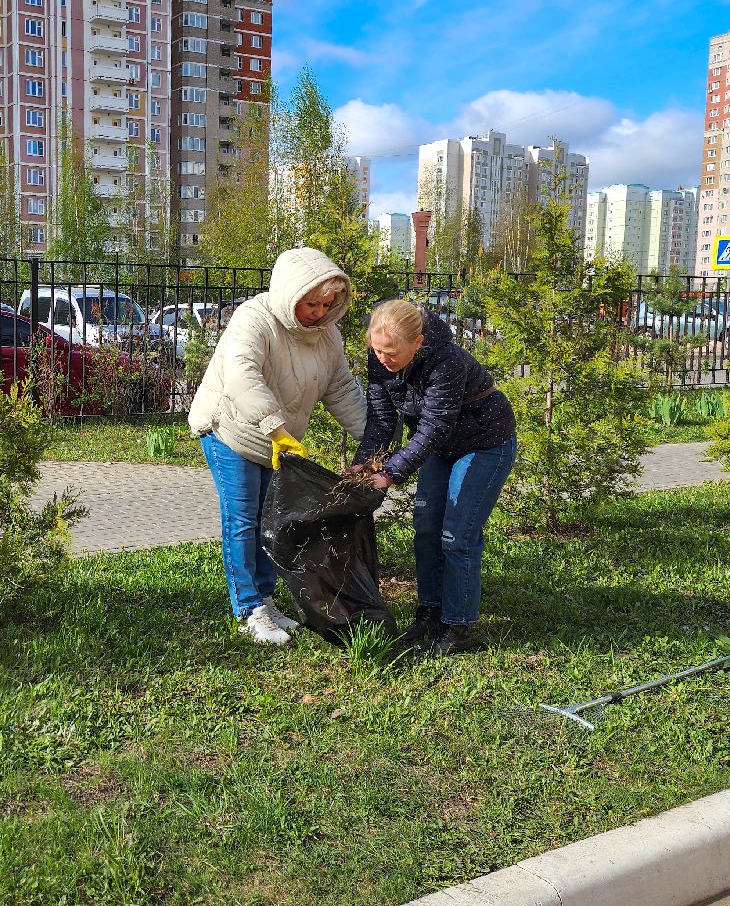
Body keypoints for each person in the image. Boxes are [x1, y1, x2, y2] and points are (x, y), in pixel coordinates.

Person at [188, 247, 367, 645]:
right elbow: (241, 374)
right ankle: (248, 608)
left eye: (327, 304)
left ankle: (266, 601)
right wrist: (274, 425)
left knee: (271, 521)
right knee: (243, 519)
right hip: (229, 430)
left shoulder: (327, 336)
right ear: (291, 293)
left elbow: (340, 389)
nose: (319, 312)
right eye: (312, 303)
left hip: (278, 440)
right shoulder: (254, 319)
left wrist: (373, 440)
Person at [353, 300, 516, 656]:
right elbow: (381, 417)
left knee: (457, 535)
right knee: (427, 528)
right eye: (377, 350)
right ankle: (430, 613)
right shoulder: (380, 357)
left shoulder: (447, 361)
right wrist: (365, 462)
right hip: (441, 447)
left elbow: (434, 426)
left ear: (419, 342)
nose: (383, 359)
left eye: (391, 353)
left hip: (484, 442)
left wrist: (391, 472)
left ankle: (457, 629)